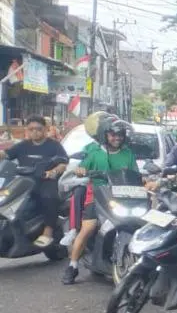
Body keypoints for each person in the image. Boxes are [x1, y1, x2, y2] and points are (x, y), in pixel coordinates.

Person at [64, 118, 139, 285]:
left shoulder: (128, 154)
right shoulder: (95, 153)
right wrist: (81, 169)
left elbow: (136, 174)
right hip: (98, 195)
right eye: (112, 135)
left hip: (123, 196)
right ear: (105, 135)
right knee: (88, 228)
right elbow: (81, 167)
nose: (117, 138)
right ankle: (73, 265)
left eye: (120, 135)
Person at [0, 115, 68, 247]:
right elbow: (6, 154)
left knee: (48, 197)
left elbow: (62, 163)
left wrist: (53, 172)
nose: (34, 132)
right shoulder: (22, 145)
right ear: (27, 130)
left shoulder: (54, 145)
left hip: (45, 180)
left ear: (45, 129)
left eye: (38, 129)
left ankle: (47, 232)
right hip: (23, 181)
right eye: (31, 129)